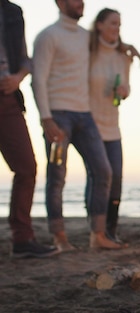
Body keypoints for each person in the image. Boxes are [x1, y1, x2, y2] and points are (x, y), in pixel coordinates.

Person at [31, 0, 124, 251]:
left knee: (103, 171)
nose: (80, 3)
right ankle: (59, 238)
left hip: (85, 115)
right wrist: (45, 118)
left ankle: (98, 235)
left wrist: (127, 48)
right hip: (58, 116)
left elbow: (110, 45)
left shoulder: (87, 37)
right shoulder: (48, 36)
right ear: (60, 3)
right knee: (57, 176)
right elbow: (37, 78)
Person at [0, 0, 59, 258]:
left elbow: (25, 59)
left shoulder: (13, 12)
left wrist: (18, 77)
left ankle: (22, 240)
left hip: (7, 98)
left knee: (27, 168)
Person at [88, 8, 140, 244]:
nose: (116, 28)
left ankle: (111, 229)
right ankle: (95, 230)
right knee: (99, 176)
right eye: (112, 23)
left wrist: (123, 91)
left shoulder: (123, 57)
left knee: (116, 176)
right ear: (99, 25)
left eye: (119, 24)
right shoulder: (88, 52)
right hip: (89, 123)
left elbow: (126, 88)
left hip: (112, 125)